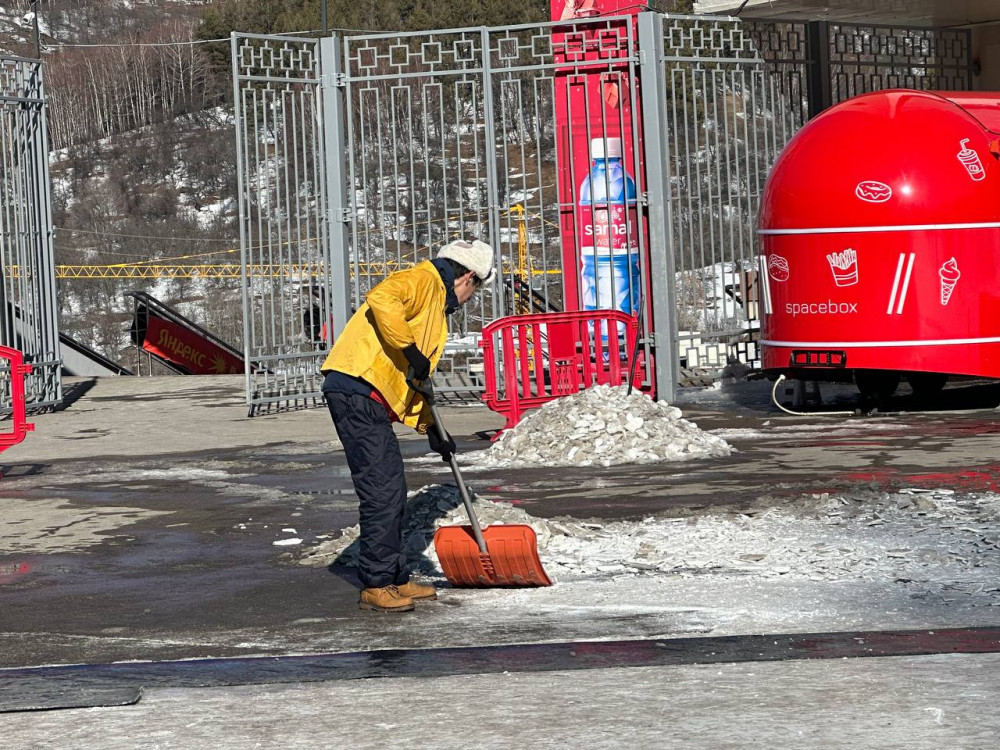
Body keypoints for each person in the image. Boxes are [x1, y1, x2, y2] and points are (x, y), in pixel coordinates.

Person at [320, 239, 497, 612]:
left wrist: (433, 429)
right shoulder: (425, 280)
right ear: (467, 277)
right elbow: (382, 298)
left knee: (392, 490)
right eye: (475, 290)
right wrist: (411, 349)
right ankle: (376, 585)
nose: (470, 300)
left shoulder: (434, 302)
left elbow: (414, 381)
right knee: (382, 490)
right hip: (356, 389)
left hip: (367, 392)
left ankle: (394, 577)